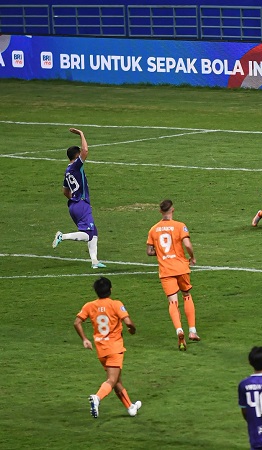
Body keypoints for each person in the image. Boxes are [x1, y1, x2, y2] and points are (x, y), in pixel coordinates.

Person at [73, 277, 141, 419]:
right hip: (114, 348)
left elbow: (77, 322)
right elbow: (128, 322)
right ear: (110, 289)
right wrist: (133, 330)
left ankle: (130, 407)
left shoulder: (89, 306)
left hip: (101, 350)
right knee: (111, 380)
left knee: (117, 380)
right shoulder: (115, 304)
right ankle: (97, 398)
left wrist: (85, 339)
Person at [146, 199, 200, 351]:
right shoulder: (180, 226)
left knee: (172, 302)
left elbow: (149, 251)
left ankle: (179, 330)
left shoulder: (153, 229)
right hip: (181, 267)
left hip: (166, 270)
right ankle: (192, 331)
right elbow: (188, 244)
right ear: (173, 210)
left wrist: (162, 252)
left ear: (160, 212)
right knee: (187, 295)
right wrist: (192, 257)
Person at [52, 128, 106, 269]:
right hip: (80, 204)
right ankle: (62, 236)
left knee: (93, 232)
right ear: (76, 156)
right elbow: (86, 151)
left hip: (74, 205)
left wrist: (77, 200)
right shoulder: (76, 166)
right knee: (88, 234)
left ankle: (94, 261)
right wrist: (81, 133)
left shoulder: (68, 170)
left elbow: (65, 191)